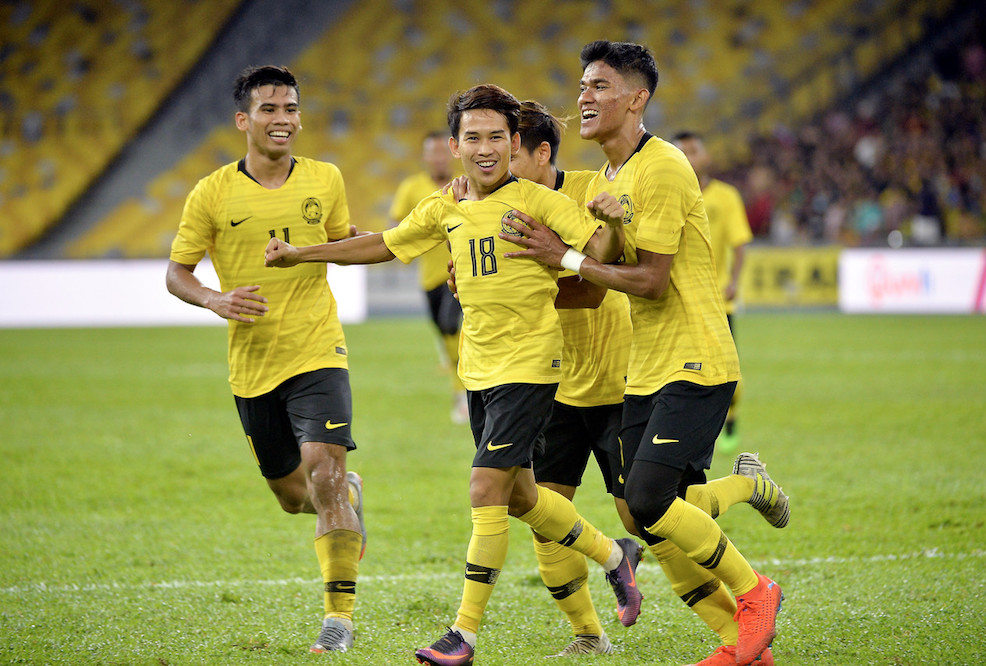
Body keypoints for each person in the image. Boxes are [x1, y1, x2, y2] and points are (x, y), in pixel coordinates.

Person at [263, 83, 644, 666]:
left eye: (497, 137)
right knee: (519, 496)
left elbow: (603, 252)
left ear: (515, 143)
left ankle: (462, 634)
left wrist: (613, 224)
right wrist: (301, 253)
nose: (485, 148)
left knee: (484, 488)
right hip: (479, 370)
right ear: (455, 145)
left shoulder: (539, 202)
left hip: (531, 368)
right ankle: (616, 556)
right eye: (474, 137)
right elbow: (384, 246)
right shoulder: (446, 205)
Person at [499, 42, 787, 666]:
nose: (585, 97)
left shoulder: (661, 167)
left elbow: (651, 280)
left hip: (696, 358)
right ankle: (748, 647)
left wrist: (567, 254)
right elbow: (588, 280)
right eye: (582, 85)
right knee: (648, 516)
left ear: (637, 99)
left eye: (600, 86)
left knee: (652, 501)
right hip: (646, 369)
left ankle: (756, 593)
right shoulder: (608, 178)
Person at [164, 65, 366, 654]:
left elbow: (343, 240)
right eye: (271, 110)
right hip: (252, 364)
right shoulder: (212, 192)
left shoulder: (326, 178)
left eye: (292, 110)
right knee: (294, 496)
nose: (283, 121)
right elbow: (178, 273)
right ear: (243, 120)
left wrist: (340, 246)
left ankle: (338, 620)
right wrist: (215, 298)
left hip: (317, 349)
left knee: (323, 475)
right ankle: (346, 498)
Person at [508, 100, 632, 656]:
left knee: (647, 513)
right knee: (543, 514)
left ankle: (747, 486)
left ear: (540, 152)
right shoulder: (496, 206)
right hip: (553, 384)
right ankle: (589, 636)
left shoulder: (587, 194)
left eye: (511, 154)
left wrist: (524, 284)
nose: (498, 166)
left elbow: (594, 289)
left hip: (618, 381)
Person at [673, 131, 753, 453]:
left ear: (706, 156)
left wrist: (734, 280)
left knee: (728, 374)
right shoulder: (669, 195)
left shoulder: (726, 196)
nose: (690, 157)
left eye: (695, 150)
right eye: (683, 152)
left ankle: (731, 413)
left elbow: (740, 243)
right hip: (680, 300)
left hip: (719, 299)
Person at [388, 131, 467, 423]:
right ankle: (460, 389)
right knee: (445, 336)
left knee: (451, 325)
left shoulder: (463, 185)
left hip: (458, 272)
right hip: (429, 279)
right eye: (432, 153)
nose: (438, 158)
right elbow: (396, 224)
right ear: (425, 157)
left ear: (451, 153)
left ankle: (466, 392)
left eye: (441, 152)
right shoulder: (412, 187)